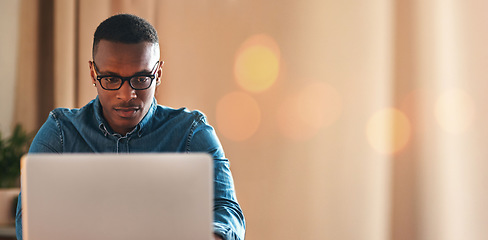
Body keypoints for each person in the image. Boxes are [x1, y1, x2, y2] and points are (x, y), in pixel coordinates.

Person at [15, 14, 245, 240]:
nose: (127, 95)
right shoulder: (60, 132)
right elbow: (29, 219)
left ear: (159, 73)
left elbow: (228, 210)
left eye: (141, 78)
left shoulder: (192, 133)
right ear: (93, 73)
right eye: (112, 79)